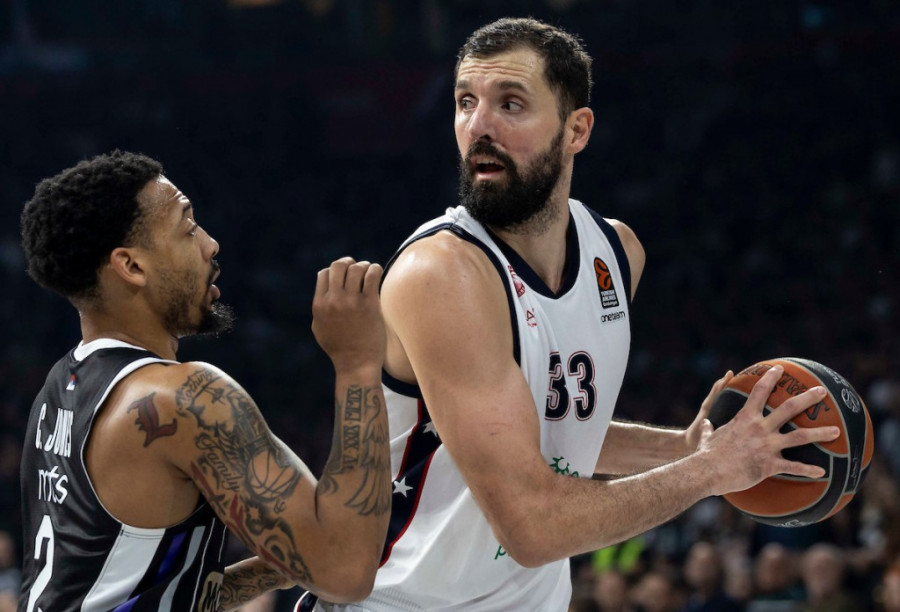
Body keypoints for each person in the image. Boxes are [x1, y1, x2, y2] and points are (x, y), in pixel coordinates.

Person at [303, 17, 840, 611]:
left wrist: (685, 448)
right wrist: (710, 471)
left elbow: (555, 438)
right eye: (465, 103)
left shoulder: (617, 254)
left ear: (576, 129)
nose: (479, 126)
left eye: (510, 104)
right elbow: (532, 526)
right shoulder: (442, 275)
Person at [17, 151, 392, 611]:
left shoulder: (58, 390)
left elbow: (129, 589)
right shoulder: (181, 399)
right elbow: (347, 572)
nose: (210, 245)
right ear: (131, 266)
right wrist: (357, 363)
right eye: (188, 228)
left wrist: (285, 560)